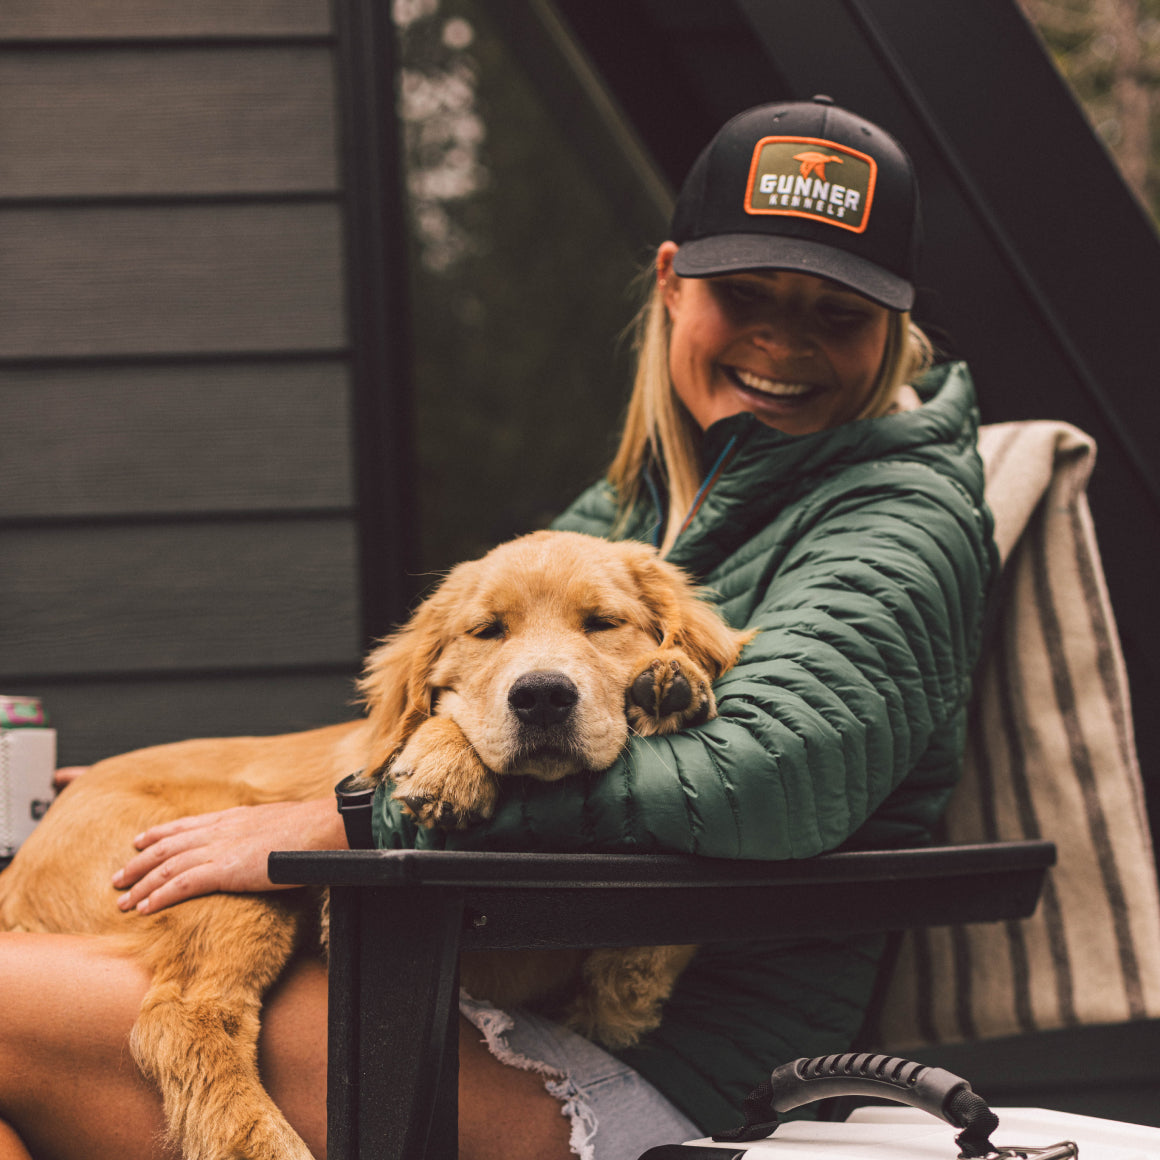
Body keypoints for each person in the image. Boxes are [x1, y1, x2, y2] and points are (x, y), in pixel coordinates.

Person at [0, 96, 996, 1160]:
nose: (781, 340)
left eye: (833, 314)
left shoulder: (900, 520)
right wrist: (239, 790)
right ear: (669, 283)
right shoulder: (639, 503)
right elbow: (444, 686)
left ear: (891, 327)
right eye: (743, 293)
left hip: (677, 1071)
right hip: (468, 980)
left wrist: (356, 820)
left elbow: (767, 774)